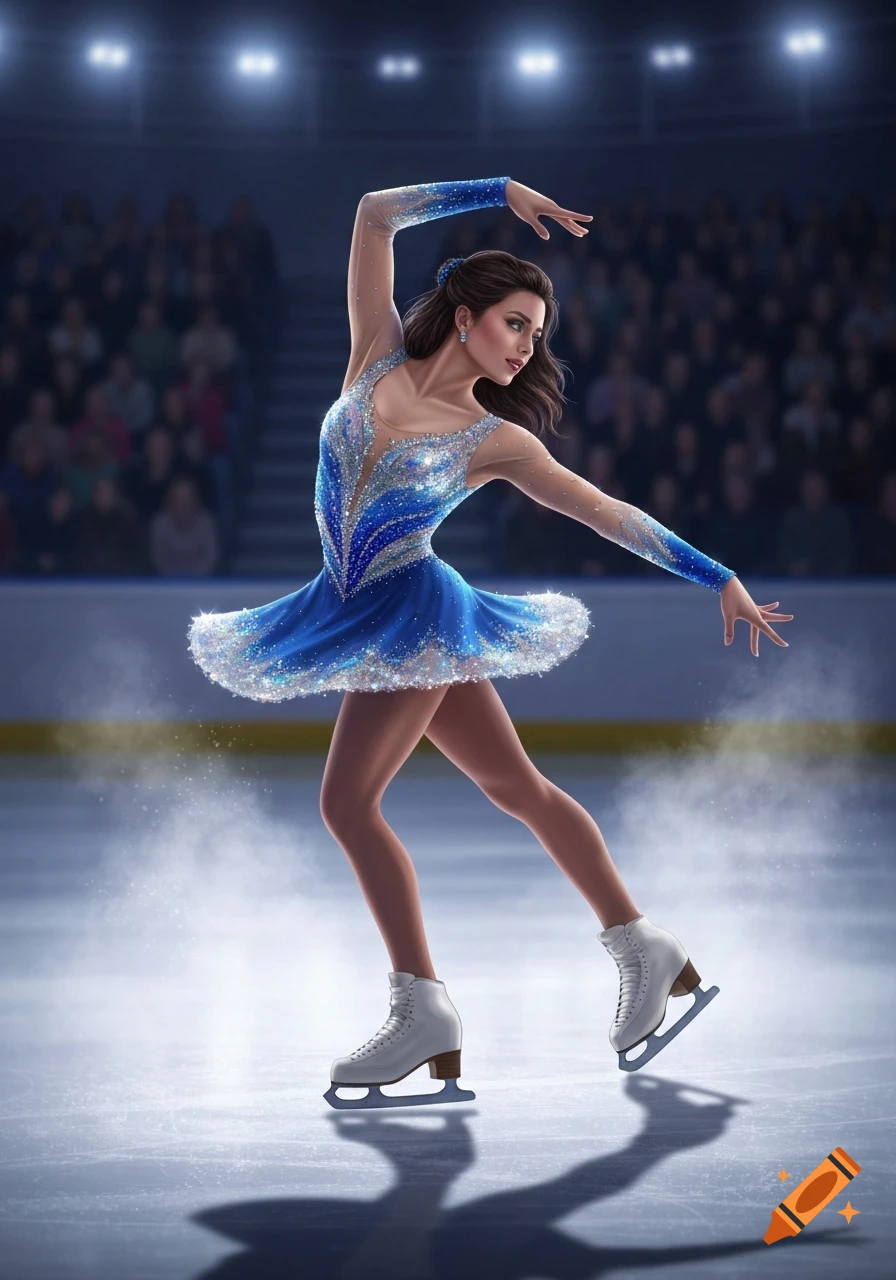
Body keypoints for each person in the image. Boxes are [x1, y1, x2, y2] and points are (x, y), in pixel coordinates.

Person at [187, 177, 793, 1108]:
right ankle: (644, 944)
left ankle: (423, 1007)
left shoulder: (493, 440)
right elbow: (373, 213)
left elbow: (606, 511)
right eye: (516, 323)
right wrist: (496, 191)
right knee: (517, 787)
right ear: (464, 317)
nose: (527, 346)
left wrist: (717, 575)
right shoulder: (375, 356)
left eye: (537, 335)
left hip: (413, 612)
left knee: (348, 804)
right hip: (351, 603)